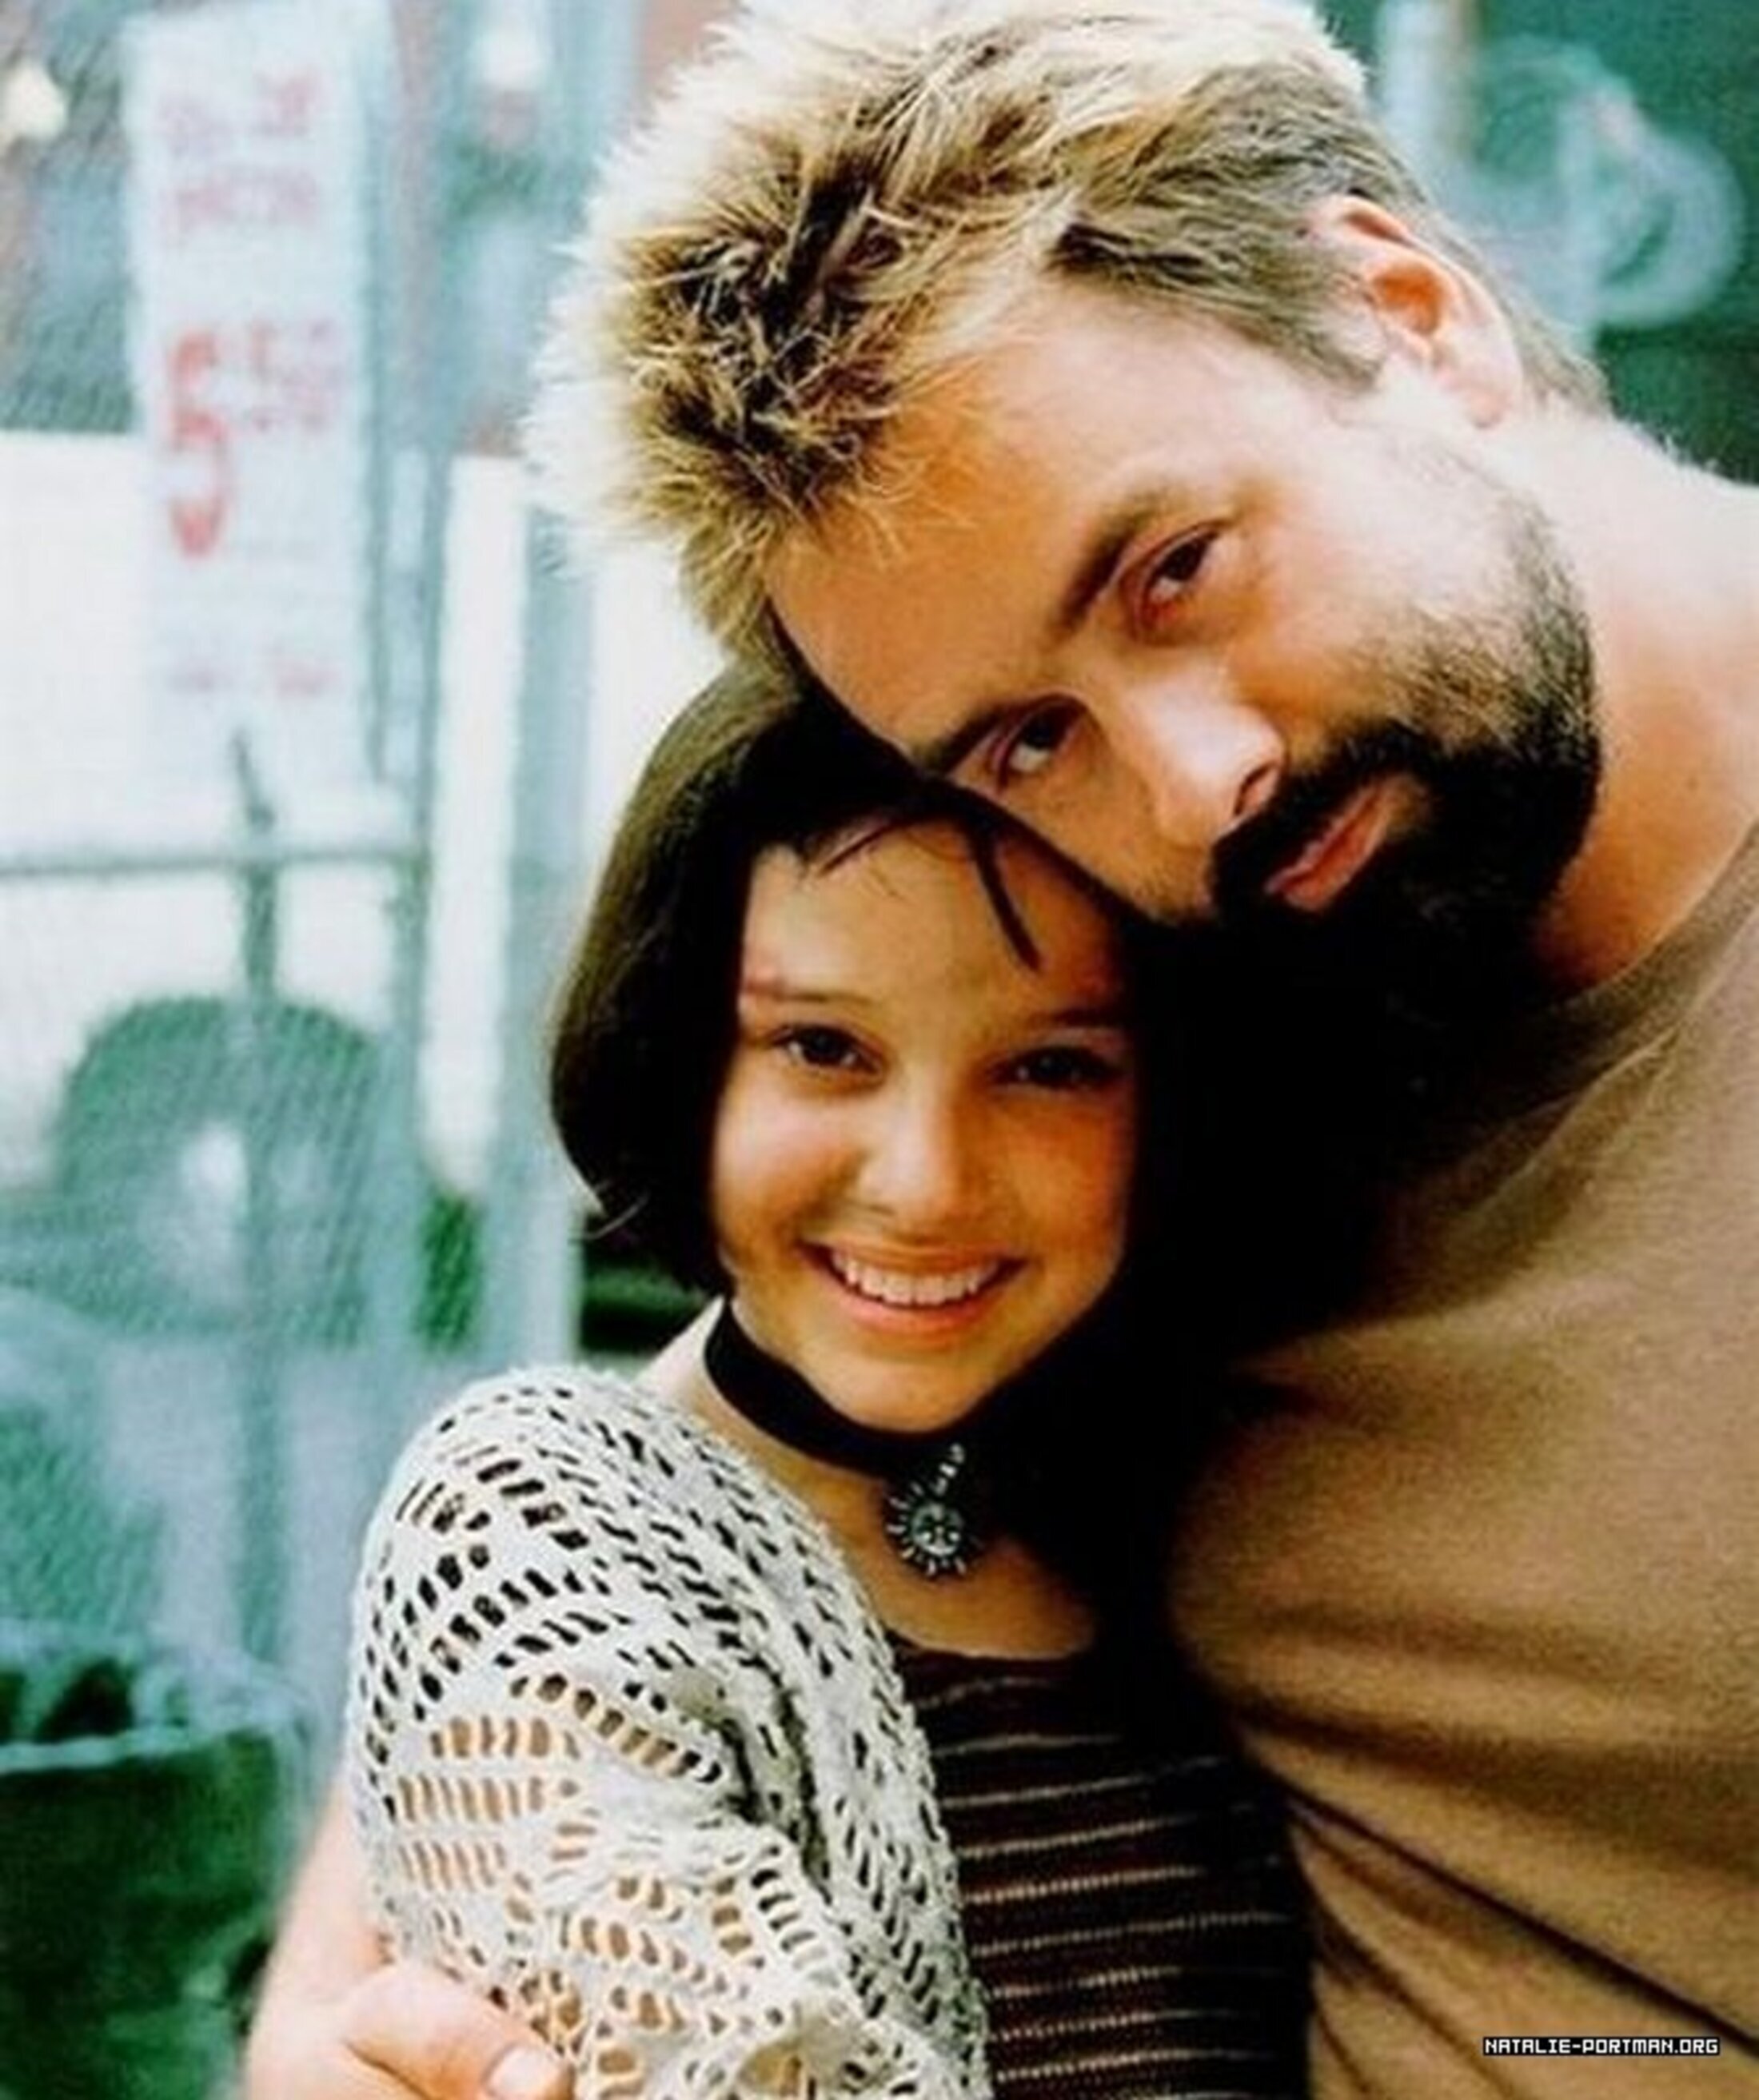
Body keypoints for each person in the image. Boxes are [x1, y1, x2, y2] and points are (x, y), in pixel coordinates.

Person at [249, 1, 1758, 2092]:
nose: (1191, 780)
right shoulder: (1150, 984)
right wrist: (358, 2029)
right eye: (1027, 740)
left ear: (1403, 316)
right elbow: (622, 1553)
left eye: (1175, 572)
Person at [260, 661, 1309, 2099]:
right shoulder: (545, 1526)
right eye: (824, 1047)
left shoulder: (1153, 1460)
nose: (926, 1184)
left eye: (1053, 1068)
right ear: (679, 1059)